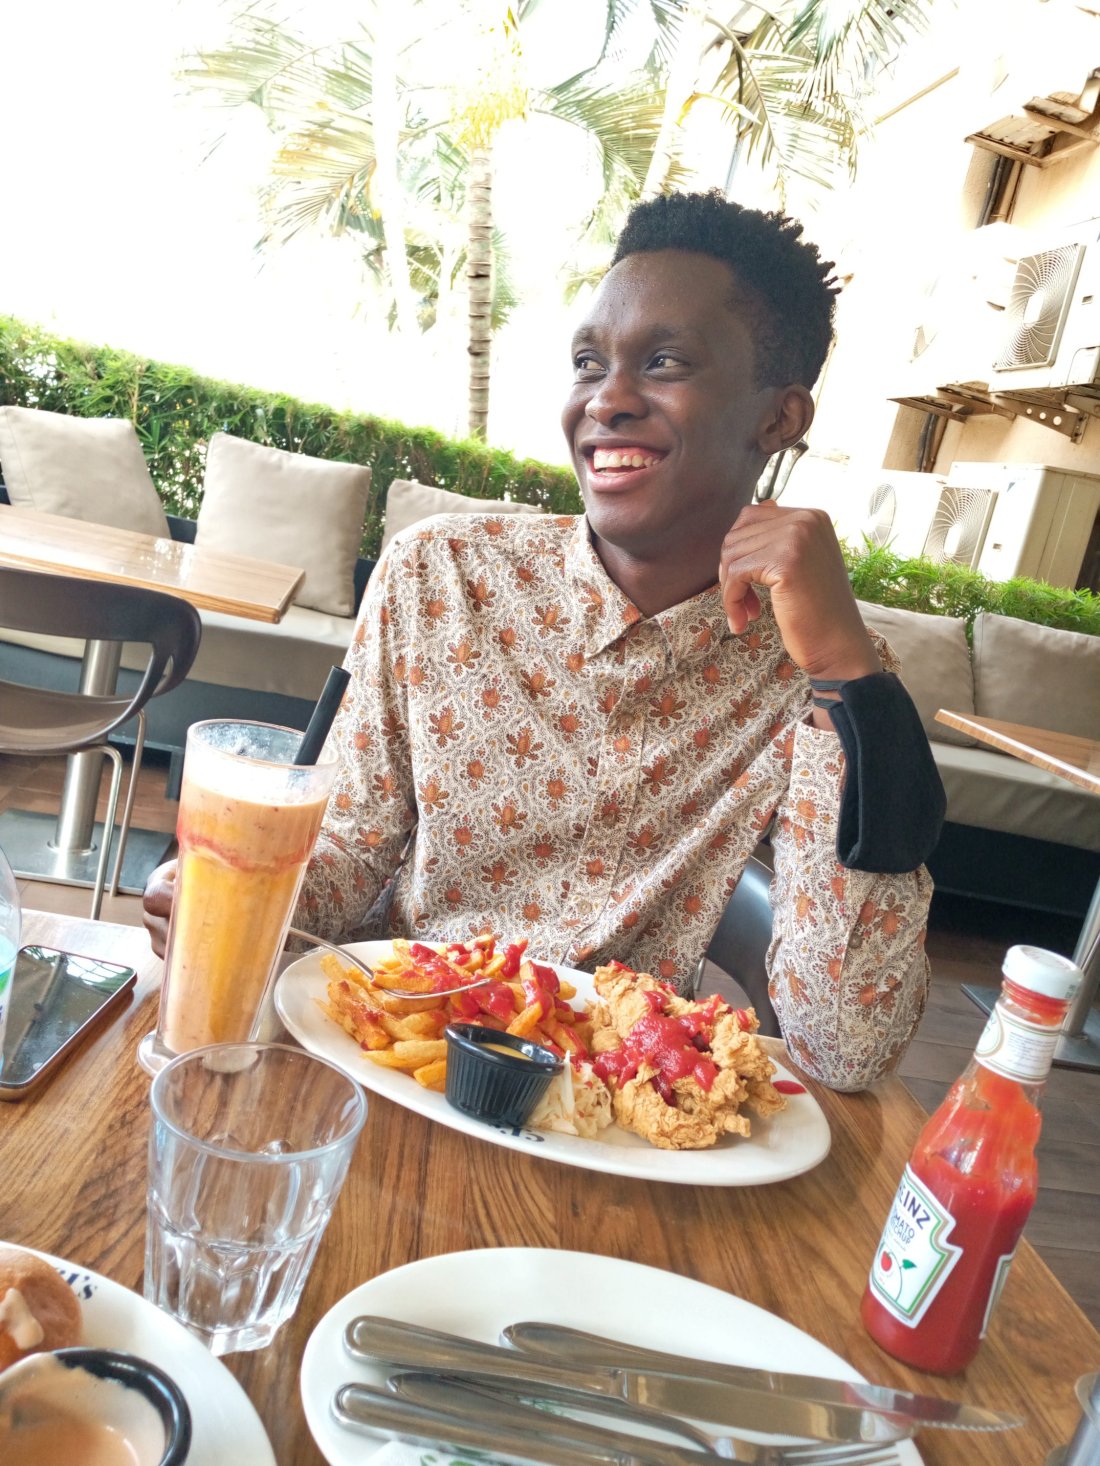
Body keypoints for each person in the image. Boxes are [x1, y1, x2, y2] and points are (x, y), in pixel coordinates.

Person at [145, 190, 944, 1091]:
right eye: (588, 363)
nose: (608, 399)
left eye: (665, 362)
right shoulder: (441, 575)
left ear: (779, 418)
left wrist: (846, 675)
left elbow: (847, 1049)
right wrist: (241, 889)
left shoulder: (825, 678)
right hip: (386, 1055)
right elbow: (354, 848)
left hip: (612, 1107)